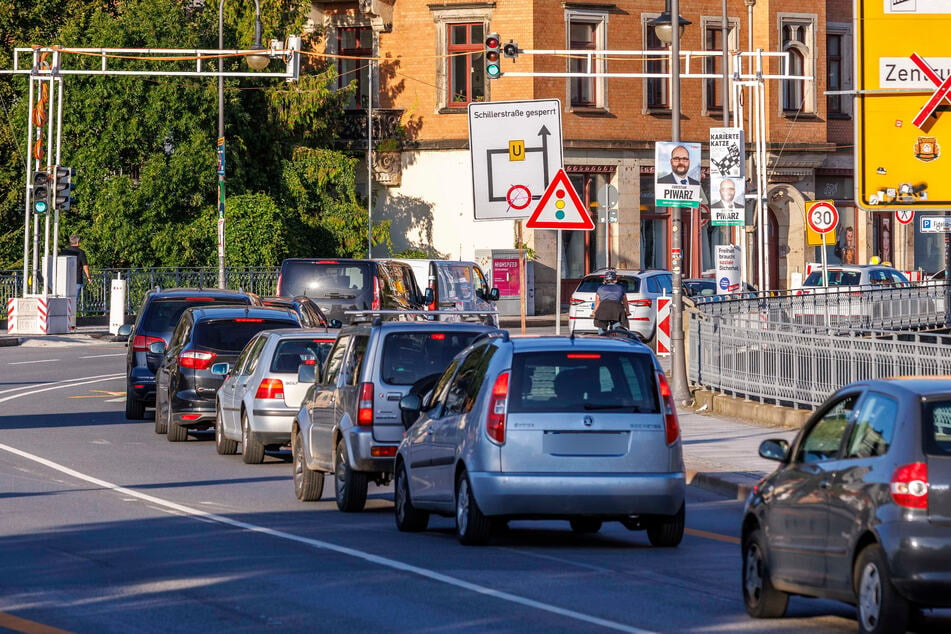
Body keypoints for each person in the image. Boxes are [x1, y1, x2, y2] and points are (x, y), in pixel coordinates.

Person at [592, 269, 629, 334]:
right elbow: (625, 302)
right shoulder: (620, 288)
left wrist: (594, 312)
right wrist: (627, 311)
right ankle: (615, 337)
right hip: (617, 310)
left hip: (603, 310)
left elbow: (597, 303)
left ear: (605, 279)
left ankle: (602, 339)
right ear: (615, 279)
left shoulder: (600, 288)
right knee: (616, 327)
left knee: (602, 327)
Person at [61, 234, 91, 306]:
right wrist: (89, 278)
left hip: (65, 280)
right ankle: (73, 316)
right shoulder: (81, 252)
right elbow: (85, 267)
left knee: (64, 300)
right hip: (77, 280)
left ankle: (65, 316)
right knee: (74, 301)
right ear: (77, 242)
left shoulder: (64, 252)